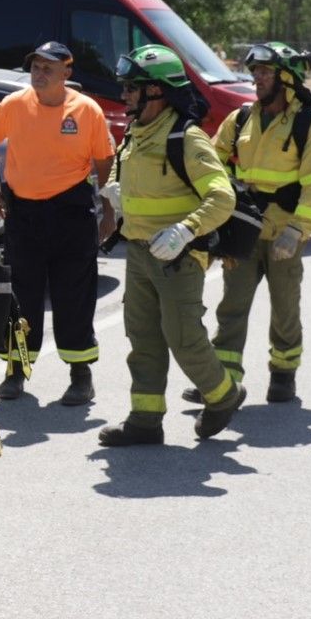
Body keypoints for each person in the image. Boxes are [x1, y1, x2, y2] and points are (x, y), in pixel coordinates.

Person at [96, 46, 242, 446]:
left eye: (133, 88)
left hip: (178, 255)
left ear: (158, 92)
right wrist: (116, 190)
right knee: (142, 336)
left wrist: (185, 230)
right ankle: (145, 420)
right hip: (140, 251)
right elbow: (119, 165)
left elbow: (222, 197)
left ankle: (223, 394)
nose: (125, 95)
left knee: (183, 337)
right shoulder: (135, 131)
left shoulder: (187, 138)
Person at [0, 42, 115, 406]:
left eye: (47, 68)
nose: (39, 74)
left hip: (71, 212)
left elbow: (105, 158)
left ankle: (80, 376)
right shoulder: (15, 105)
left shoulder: (87, 110)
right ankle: (17, 370)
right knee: (22, 296)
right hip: (25, 214)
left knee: (75, 297)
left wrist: (105, 203)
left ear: (66, 73)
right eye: (35, 67)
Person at [201, 42, 311, 404]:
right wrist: (225, 194)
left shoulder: (309, 126)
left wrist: (297, 230)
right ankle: (223, 382)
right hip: (243, 227)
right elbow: (212, 159)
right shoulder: (242, 117)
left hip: (284, 232)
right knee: (232, 306)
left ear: (287, 79)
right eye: (255, 71)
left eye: (265, 72)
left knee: (285, 307)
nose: (256, 78)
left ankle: (284, 374)